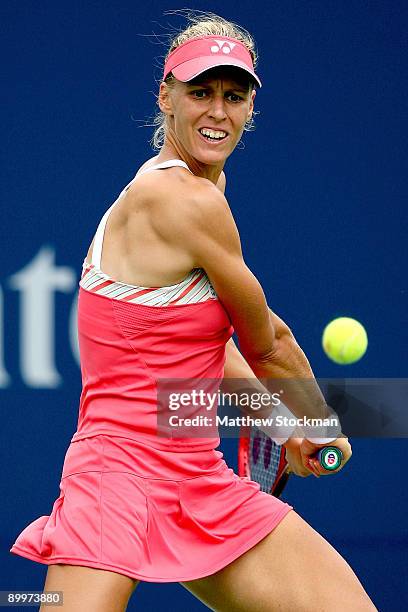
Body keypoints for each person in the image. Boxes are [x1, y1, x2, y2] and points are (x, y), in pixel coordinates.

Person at [10, 11, 376, 612]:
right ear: (166, 96)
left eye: (234, 96)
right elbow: (272, 344)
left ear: (251, 109)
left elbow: (211, 352)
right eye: (200, 91)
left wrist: (279, 422)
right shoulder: (176, 198)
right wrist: (317, 419)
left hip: (194, 474)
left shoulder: (203, 192)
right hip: (116, 475)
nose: (217, 111)